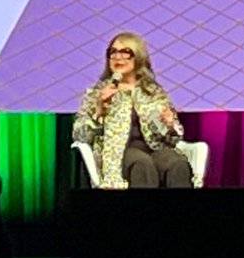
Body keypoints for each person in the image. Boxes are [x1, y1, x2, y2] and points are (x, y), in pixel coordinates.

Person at [72, 31, 192, 188]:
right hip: (118, 153)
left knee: (177, 163)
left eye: (125, 52)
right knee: (141, 163)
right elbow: (79, 136)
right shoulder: (96, 92)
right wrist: (99, 111)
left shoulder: (153, 92)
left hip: (154, 148)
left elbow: (173, 139)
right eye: (113, 52)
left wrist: (169, 126)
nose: (117, 57)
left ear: (138, 57)